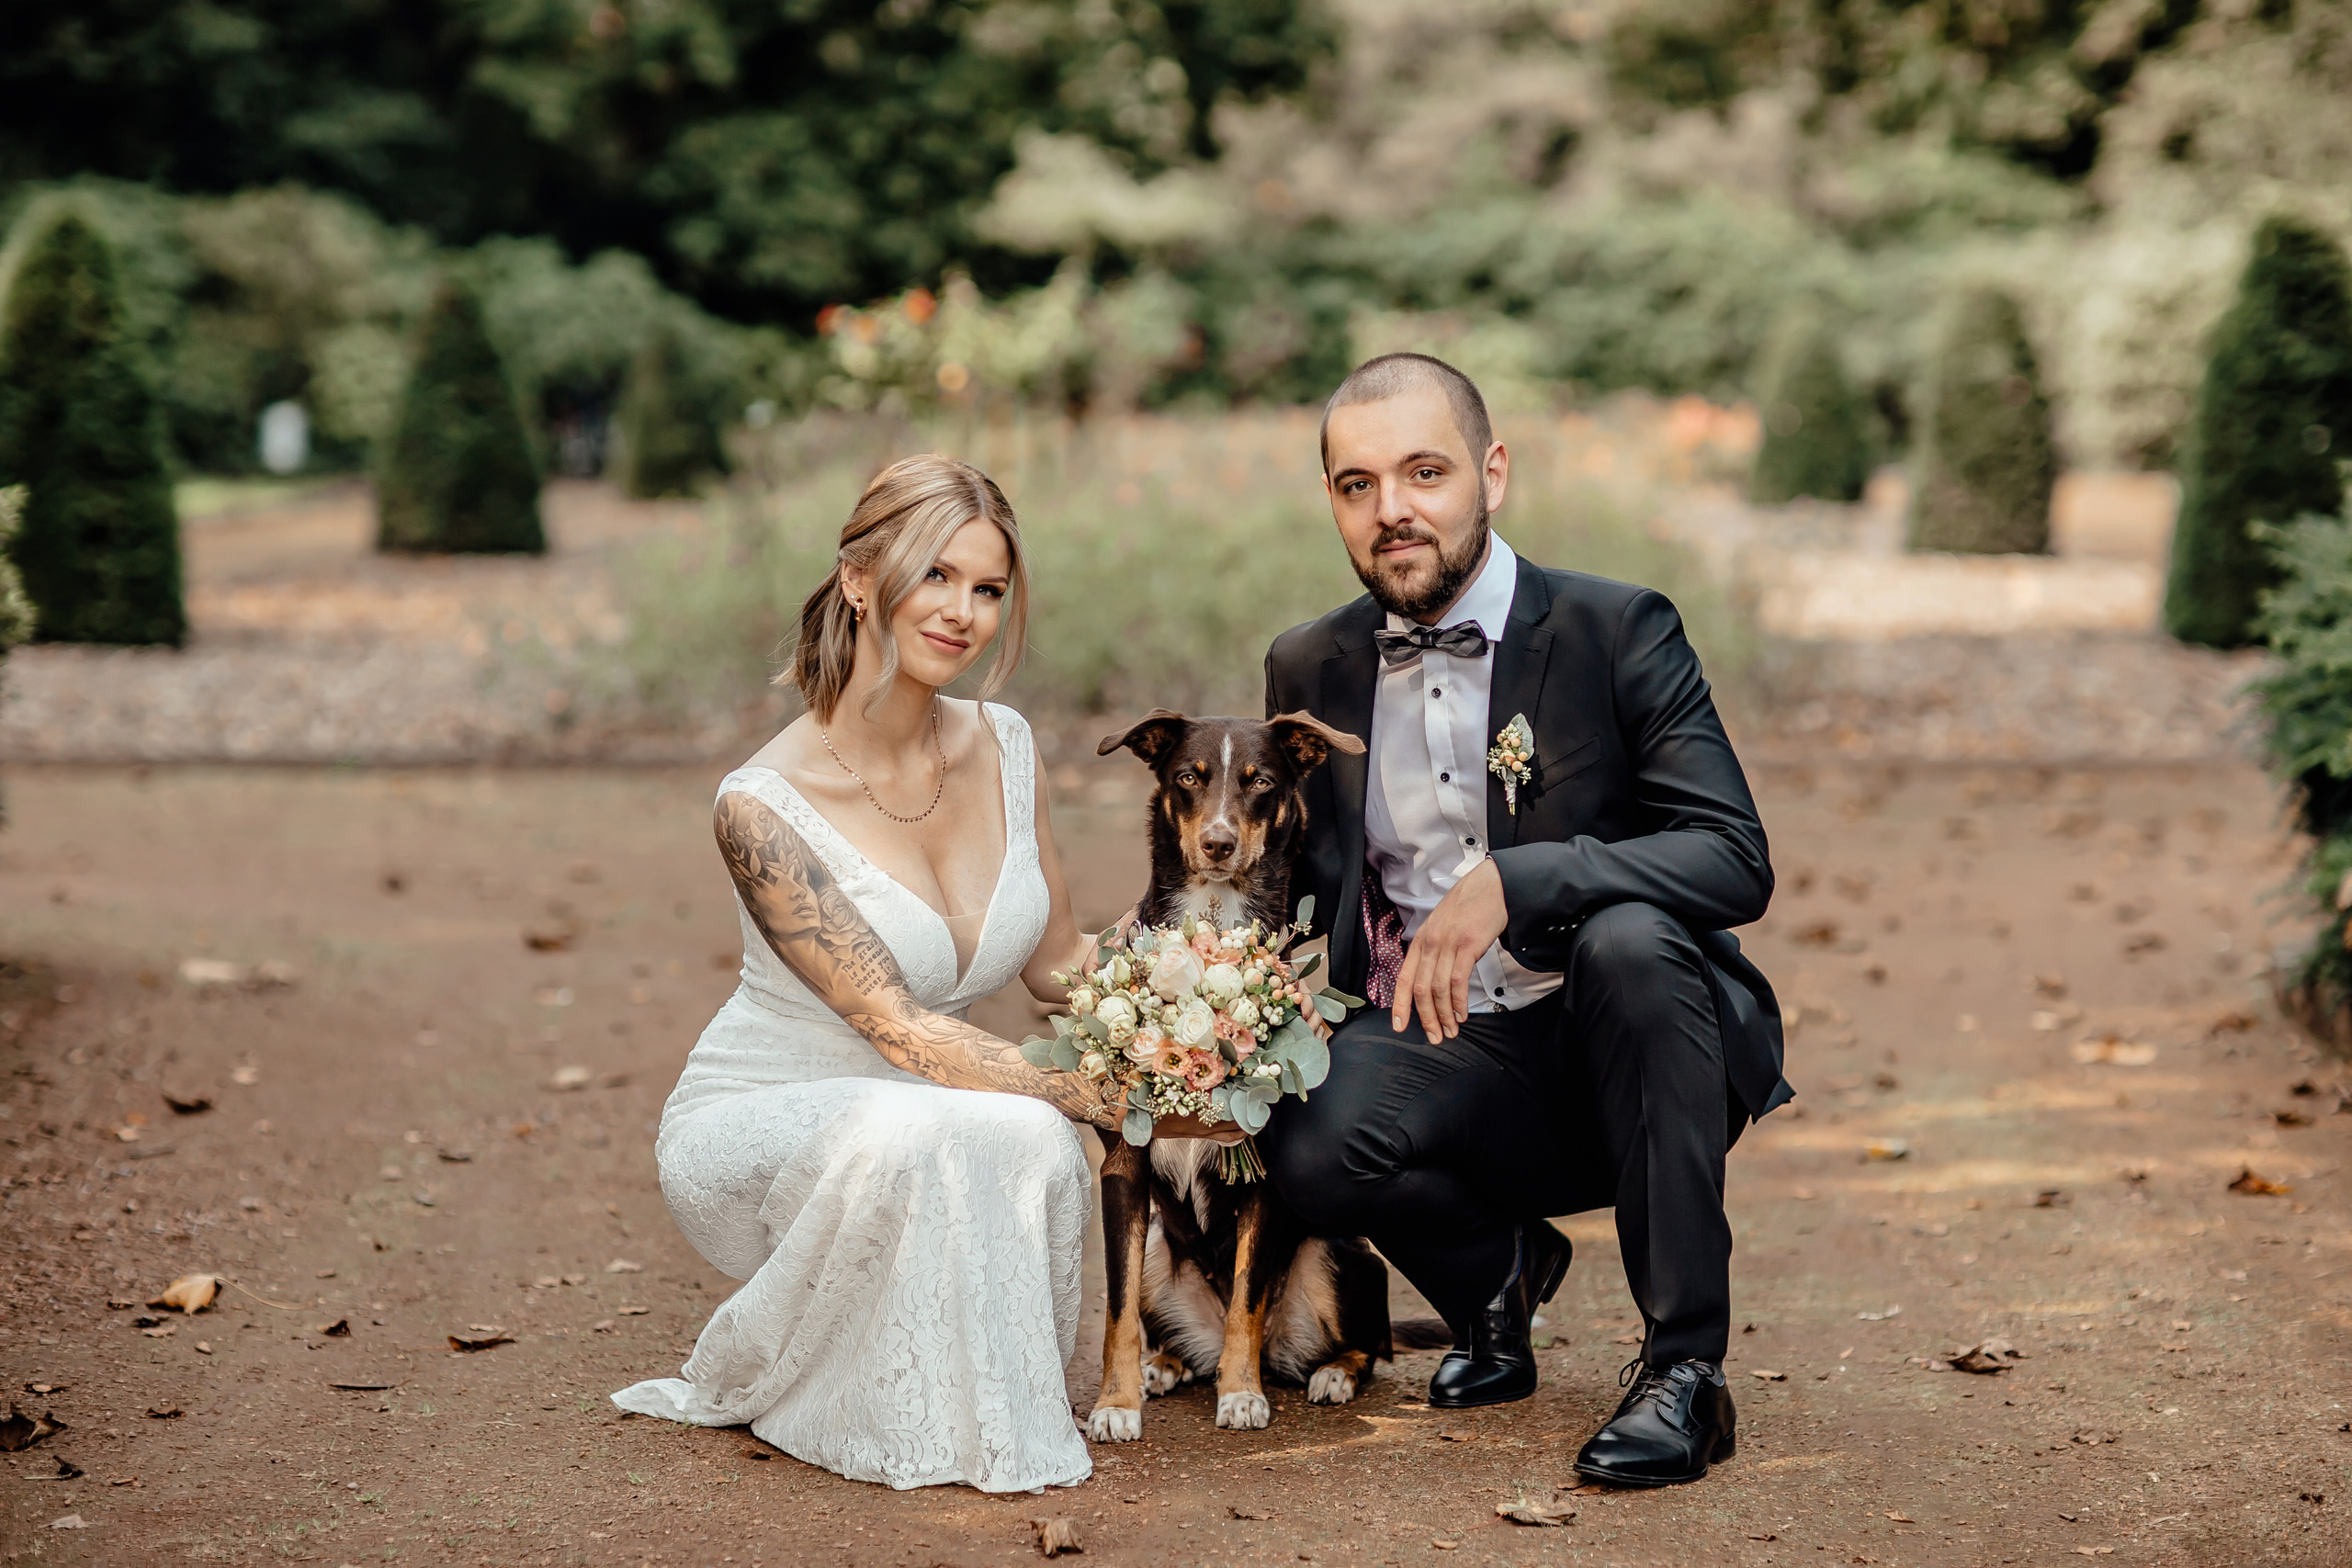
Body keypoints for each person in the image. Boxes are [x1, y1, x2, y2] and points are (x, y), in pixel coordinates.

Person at [1258, 354, 1791, 1488]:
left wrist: (1524, 879)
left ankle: (1685, 1374)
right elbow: (1298, 881)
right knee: (1298, 1122)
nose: (1391, 509)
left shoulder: (1617, 629)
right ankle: (1494, 1277)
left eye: (1423, 471)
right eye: (1356, 485)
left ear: (1490, 473)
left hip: (1638, 1046)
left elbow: (1733, 859)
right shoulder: (1307, 664)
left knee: (1629, 937)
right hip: (1453, 1057)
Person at [611, 455, 1139, 1492]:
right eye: (935, 576)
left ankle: (978, 1409)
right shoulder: (759, 803)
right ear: (859, 578)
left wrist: (1204, 986)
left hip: (938, 1098)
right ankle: (856, 1407)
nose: (963, 613)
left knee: (1005, 1126)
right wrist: (1077, 1090)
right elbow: (895, 1027)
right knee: (998, 1117)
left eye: (988, 589)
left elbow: (1060, 966)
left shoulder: (1007, 746)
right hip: (768, 1108)